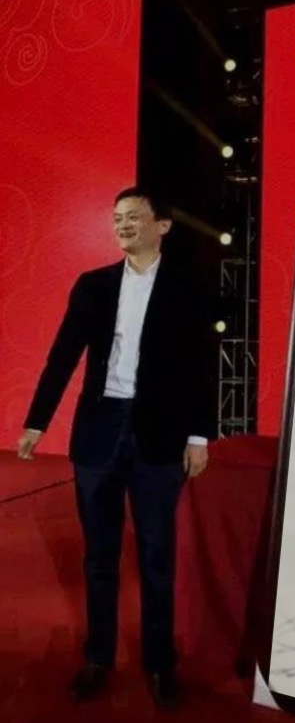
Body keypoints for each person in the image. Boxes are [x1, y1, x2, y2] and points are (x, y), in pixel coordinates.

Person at [16, 186, 216, 709]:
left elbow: (200, 367)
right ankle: (98, 658)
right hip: (99, 432)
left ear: (162, 225)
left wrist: (198, 436)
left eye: (134, 217)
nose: (123, 225)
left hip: (159, 436)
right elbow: (63, 355)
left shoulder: (188, 287)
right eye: (117, 218)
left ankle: (159, 664)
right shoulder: (94, 285)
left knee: (156, 555)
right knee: (99, 556)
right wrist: (37, 421)